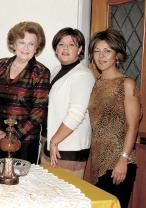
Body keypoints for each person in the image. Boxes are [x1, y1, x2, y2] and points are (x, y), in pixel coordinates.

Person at [84, 29, 140, 208]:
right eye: (97, 51)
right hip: (98, 161)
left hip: (119, 162)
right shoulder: (96, 83)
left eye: (107, 51)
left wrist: (123, 159)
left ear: (118, 54)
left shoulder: (126, 83)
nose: (101, 56)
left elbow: (133, 126)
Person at [40, 28, 95, 178]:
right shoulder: (55, 70)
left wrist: (55, 141)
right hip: (51, 143)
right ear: (56, 49)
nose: (65, 48)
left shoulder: (82, 75)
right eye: (61, 44)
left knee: (65, 197)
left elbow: (76, 114)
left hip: (68, 148)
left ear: (80, 49)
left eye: (71, 44)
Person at [0, 21, 50, 164]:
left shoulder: (40, 72)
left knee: (21, 184)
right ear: (13, 44)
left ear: (37, 47)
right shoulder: (0, 65)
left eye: (31, 43)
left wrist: (11, 136)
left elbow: (38, 113)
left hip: (24, 142)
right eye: (21, 42)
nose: (26, 47)